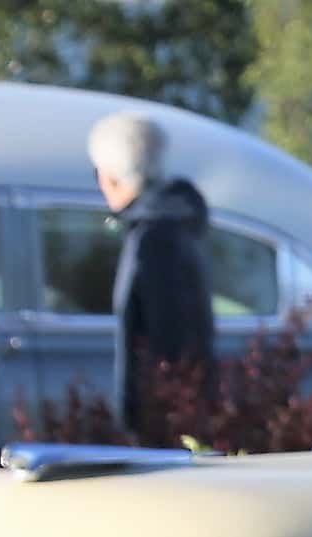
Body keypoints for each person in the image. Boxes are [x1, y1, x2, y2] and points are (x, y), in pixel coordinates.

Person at [89, 112, 210, 437]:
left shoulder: (154, 238)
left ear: (110, 176)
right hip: (178, 409)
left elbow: (159, 338)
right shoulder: (174, 224)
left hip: (164, 420)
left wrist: (137, 423)